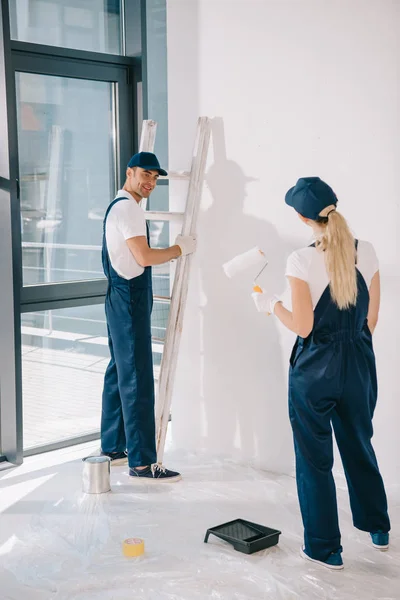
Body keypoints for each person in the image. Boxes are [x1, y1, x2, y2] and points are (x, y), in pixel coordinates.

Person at [252, 177, 390, 569]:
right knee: (360, 445)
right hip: (359, 363)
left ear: (301, 217)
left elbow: (303, 326)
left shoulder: (301, 259)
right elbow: (372, 318)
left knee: (314, 459)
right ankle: (378, 529)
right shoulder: (370, 252)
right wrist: (352, 351)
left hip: (316, 370)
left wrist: (269, 304)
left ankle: (325, 548)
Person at [100, 151, 196, 482]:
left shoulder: (119, 206)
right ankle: (141, 462)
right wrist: (179, 249)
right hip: (128, 300)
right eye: (145, 174)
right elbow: (143, 256)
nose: (150, 182)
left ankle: (113, 447)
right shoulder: (128, 208)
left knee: (119, 371)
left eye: (155, 177)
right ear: (129, 172)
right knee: (138, 376)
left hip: (118, 297)